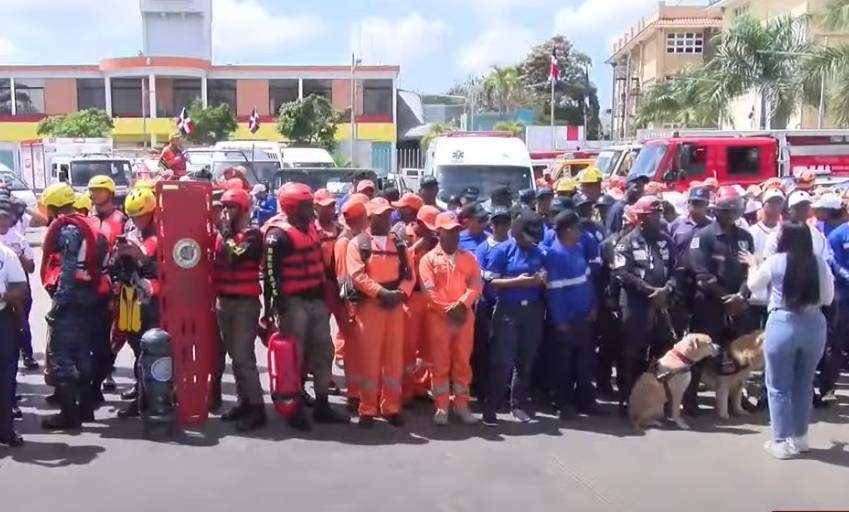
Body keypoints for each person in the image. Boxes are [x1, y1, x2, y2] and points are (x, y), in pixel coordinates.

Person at [743, 221, 834, 459]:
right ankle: (801, 438)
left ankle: (781, 441)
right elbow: (827, 297)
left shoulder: (774, 261)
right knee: (804, 385)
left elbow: (754, 286)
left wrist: (754, 265)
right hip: (814, 323)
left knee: (778, 386)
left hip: (782, 323)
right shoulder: (819, 262)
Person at [263, 183, 349, 431]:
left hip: (316, 300)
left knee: (323, 350)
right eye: (305, 205)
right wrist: (271, 312)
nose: (310, 209)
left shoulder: (311, 228)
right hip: (292, 303)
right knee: (294, 358)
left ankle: (322, 404)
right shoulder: (277, 235)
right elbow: (270, 276)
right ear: (291, 207)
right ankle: (294, 407)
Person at [684, 185, 757, 416]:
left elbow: (750, 271)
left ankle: (736, 400)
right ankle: (691, 400)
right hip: (710, 306)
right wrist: (726, 298)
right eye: (728, 210)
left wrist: (741, 296)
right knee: (700, 356)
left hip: (738, 307)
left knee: (738, 356)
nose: (733, 214)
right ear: (717, 211)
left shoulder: (745, 237)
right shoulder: (703, 237)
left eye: (736, 210)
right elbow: (702, 275)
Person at [39, 182, 106, 430]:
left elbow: (67, 269)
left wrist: (59, 304)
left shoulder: (69, 230)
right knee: (81, 353)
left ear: (55, 206)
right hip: (88, 296)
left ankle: (69, 415)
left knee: (61, 356)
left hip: (71, 299)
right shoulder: (88, 223)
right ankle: (85, 408)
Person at [346, 197, 414, 427]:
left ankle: (391, 407)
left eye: (387, 215)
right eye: (379, 215)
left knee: (394, 359)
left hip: (395, 307)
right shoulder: (358, 243)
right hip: (371, 308)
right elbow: (357, 276)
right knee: (369, 360)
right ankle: (367, 409)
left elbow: (409, 275)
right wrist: (381, 293)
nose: (384, 219)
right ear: (369, 217)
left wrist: (400, 294)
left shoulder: (400, 243)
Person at [612, 195, 677, 411]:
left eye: (659, 214)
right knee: (632, 352)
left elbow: (677, 271)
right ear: (641, 218)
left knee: (663, 351)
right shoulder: (626, 242)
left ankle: (660, 399)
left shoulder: (666, 241)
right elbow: (622, 273)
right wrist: (649, 291)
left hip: (662, 303)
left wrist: (667, 289)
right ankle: (628, 400)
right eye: (653, 215)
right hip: (635, 303)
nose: (658, 218)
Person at [482, 209, 546, 425]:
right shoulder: (503, 250)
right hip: (507, 311)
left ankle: (518, 404)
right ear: (517, 233)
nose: (529, 242)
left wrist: (543, 280)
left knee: (525, 360)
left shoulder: (539, 252)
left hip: (533, 311)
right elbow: (491, 282)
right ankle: (492, 405)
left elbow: (546, 276)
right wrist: (519, 281)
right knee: (503, 361)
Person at [418, 211, 483, 425]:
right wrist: (448, 309)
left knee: (463, 363)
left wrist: (462, 305)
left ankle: (462, 404)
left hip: (464, 318)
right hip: (439, 319)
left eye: (456, 230)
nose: (454, 235)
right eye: (449, 231)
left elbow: (476, 284)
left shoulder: (469, 258)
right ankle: (442, 407)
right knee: (440, 364)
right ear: (439, 233)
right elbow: (429, 291)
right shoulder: (428, 260)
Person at [213, 188, 266, 431]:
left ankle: (256, 408)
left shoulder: (253, 235)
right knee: (235, 358)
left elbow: (236, 255)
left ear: (243, 210)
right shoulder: (221, 235)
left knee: (244, 358)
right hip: (224, 301)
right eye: (224, 207)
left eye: (230, 207)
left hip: (245, 304)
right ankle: (243, 401)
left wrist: (224, 232)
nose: (225, 212)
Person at [543, 209, 598, 419]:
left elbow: (588, 280)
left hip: (584, 318)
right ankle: (562, 403)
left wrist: (593, 305)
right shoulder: (555, 256)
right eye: (576, 228)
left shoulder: (576, 248)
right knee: (563, 365)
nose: (579, 232)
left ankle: (585, 401)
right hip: (567, 322)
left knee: (584, 363)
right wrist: (560, 321)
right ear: (566, 230)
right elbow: (555, 293)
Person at [112, 188, 161, 418]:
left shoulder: (161, 233)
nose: (134, 220)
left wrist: (137, 254)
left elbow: (154, 261)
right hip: (130, 295)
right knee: (136, 346)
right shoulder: (131, 230)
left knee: (150, 349)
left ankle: (149, 398)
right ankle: (142, 393)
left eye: (138, 215)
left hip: (151, 297)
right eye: (131, 216)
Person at [88, 175, 127, 394]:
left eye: (98, 190)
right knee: (98, 332)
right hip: (94, 284)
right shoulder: (87, 219)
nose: (94, 194)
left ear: (109, 193)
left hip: (117, 283)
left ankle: (107, 368)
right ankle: (101, 372)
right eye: (92, 190)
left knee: (119, 331)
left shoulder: (121, 220)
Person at [334, 194, 370, 410]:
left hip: (357, 302)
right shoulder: (344, 242)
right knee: (354, 352)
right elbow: (343, 279)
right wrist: (353, 307)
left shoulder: (355, 238)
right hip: (352, 303)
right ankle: (354, 395)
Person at [472, 206, 511, 401]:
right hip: (487, 306)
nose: (501, 227)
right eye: (497, 222)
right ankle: (482, 389)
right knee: (483, 350)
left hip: (508, 307)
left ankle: (502, 390)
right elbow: (480, 276)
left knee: (503, 352)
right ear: (492, 224)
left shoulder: (514, 245)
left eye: (505, 222)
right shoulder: (483, 248)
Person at [401, 205, 439, 405]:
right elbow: (400, 264)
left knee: (427, 347)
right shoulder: (405, 236)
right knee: (408, 347)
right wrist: (416, 247)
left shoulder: (437, 242)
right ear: (420, 223)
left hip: (431, 300)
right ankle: (406, 391)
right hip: (412, 298)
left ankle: (421, 387)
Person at [0, 230, 28, 446]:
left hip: (2, 320)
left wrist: (3, 296)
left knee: (5, 379)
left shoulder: (6, 255)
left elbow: (21, 288)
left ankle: (5, 431)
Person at [748, 188, 785, 327]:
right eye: (771, 202)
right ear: (763, 205)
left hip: (777, 300)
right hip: (754, 297)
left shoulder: (786, 232)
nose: (775, 205)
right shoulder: (751, 232)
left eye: (779, 202)